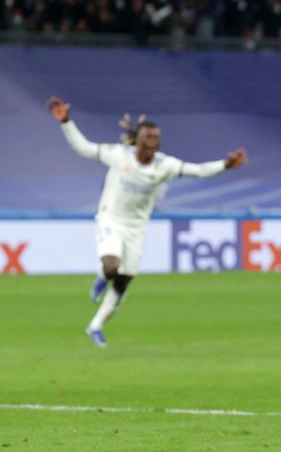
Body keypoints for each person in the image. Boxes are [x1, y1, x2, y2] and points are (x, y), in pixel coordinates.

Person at [48, 97, 247, 347]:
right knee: (111, 266)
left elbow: (197, 170)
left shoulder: (165, 165)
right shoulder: (120, 156)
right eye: (149, 137)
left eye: (156, 138)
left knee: (123, 280)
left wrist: (225, 164)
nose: (153, 141)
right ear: (137, 140)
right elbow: (85, 148)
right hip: (110, 219)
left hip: (136, 229)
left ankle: (95, 326)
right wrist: (66, 122)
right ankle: (101, 277)